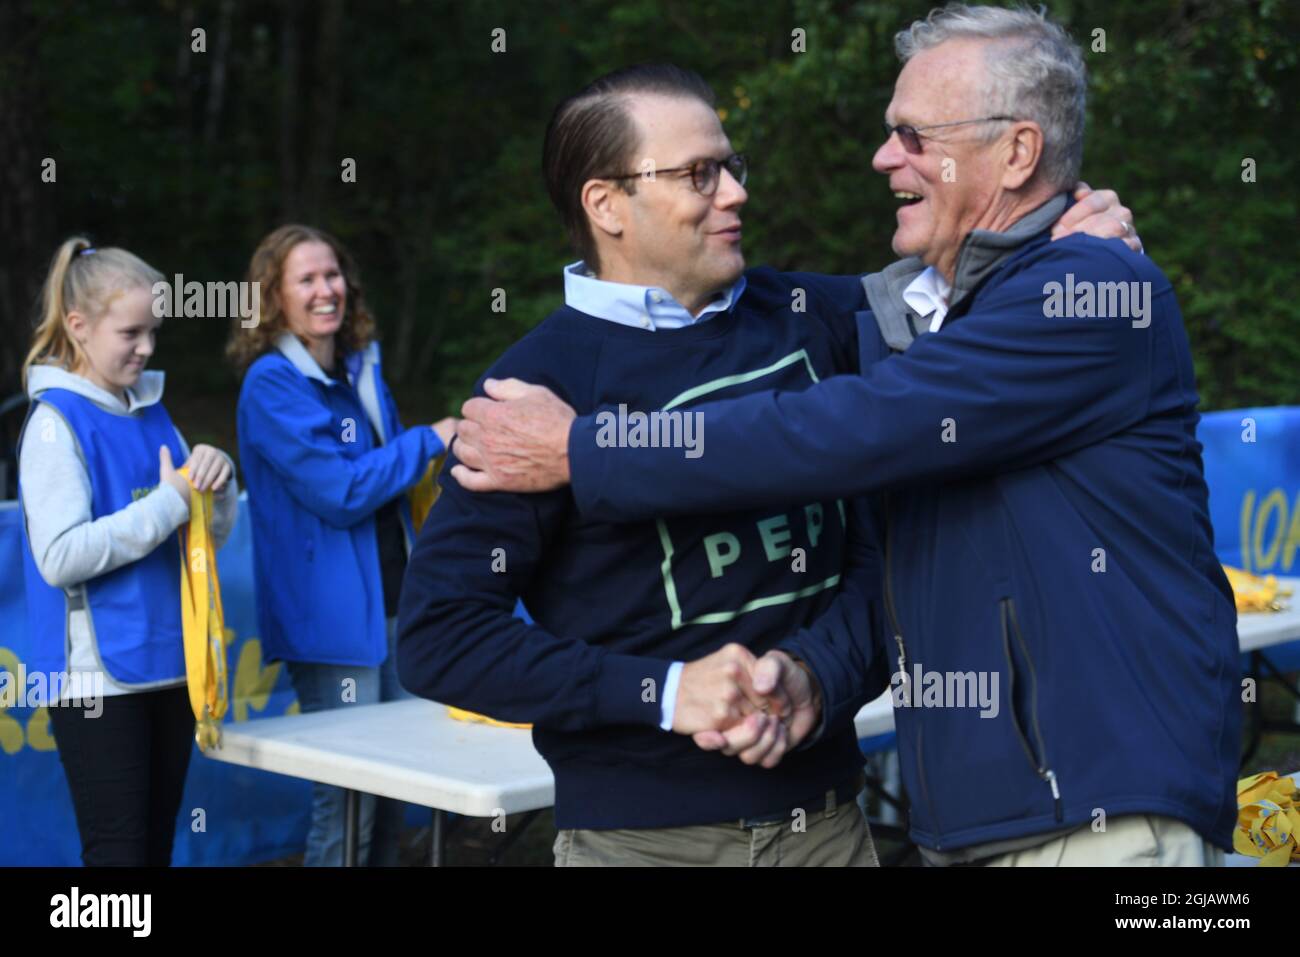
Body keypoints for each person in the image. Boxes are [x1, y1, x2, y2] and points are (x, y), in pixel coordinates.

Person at [452, 5, 1237, 868]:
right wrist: (799, 677)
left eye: (911, 134)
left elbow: (848, 429)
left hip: (1093, 819)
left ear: (1017, 152)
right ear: (603, 203)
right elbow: (894, 556)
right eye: (700, 173)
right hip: (976, 821)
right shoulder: (532, 389)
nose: (883, 156)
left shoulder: (1078, 291)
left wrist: (583, 452)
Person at [227, 225, 454, 866]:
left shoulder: (361, 366)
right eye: (307, 279)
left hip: (395, 603)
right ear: (273, 296)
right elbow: (342, 491)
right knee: (347, 796)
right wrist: (430, 438)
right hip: (329, 622)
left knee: (393, 786)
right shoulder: (271, 384)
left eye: (333, 275)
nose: (327, 290)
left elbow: (393, 481)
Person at [19, 236, 238, 866]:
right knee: (119, 859)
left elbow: (205, 542)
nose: (146, 348)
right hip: (96, 681)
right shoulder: (54, 423)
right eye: (131, 332)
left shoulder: (153, 411)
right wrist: (170, 502)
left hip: (170, 666)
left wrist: (216, 487)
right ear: (79, 327)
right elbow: (59, 557)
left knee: (153, 851)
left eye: (154, 332)